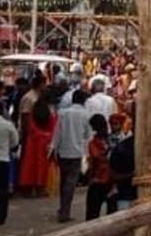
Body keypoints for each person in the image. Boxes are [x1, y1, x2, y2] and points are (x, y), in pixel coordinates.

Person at [52, 89, 93, 223]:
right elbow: (88, 136)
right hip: (77, 152)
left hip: (63, 151)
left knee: (64, 181)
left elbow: (57, 132)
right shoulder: (86, 115)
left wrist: (54, 148)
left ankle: (62, 208)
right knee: (70, 183)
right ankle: (65, 211)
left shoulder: (63, 113)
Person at [17, 94, 56, 198]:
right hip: (45, 145)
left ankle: (27, 190)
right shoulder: (50, 115)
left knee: (30, 166)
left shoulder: (32, 115)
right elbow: (54, 129)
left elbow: (31, 128)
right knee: (42, 167)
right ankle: (40, 189)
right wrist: (47, 137)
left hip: (33, 143)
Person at [86, 114, 113, 221]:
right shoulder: (111, 139)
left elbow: (96, 157)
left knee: (92, 215)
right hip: (111, 180)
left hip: (99, 180)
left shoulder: (94, 143)